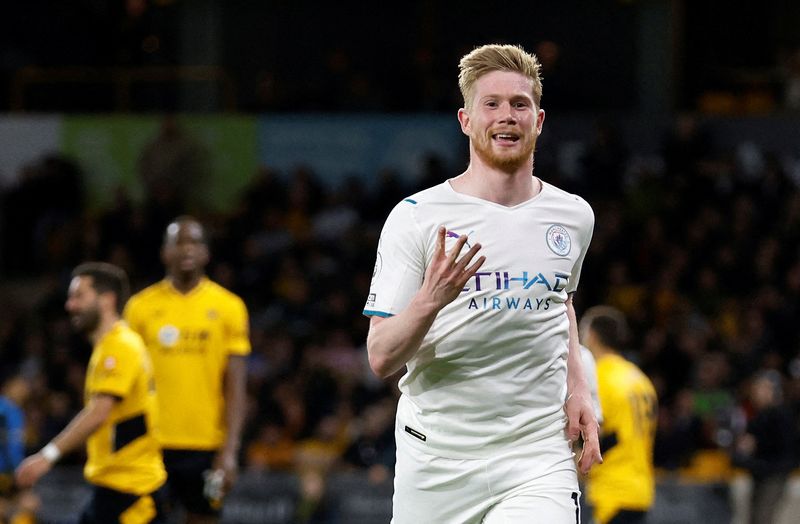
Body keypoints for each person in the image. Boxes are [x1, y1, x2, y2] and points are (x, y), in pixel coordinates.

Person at [363, 43, 601, 523]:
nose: (506, 116)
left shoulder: (573, 216)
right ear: (465, 120)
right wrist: (431, 298)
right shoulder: (416, 218)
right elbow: (382, 356)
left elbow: (561, 303)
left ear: (539, 120)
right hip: (436, 460)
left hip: (537, 454)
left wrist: (579, 389)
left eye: (519, 104)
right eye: (490, 104)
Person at [15, 262, 167, 523]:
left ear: (107, 300)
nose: (70, 305)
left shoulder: (119, 346)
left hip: (131, 492)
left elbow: (99, 412)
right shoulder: (111, 345)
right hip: (119, 488)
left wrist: (46, 456)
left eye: (79, 296)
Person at [124, 216, 250, 524]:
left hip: (206, 447)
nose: (186, 249)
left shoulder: (229, 307)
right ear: (164, 252)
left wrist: (230, 452)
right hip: (150, 445)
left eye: (194, 242)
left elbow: (235, 387)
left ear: (206, 252)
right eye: (178, 242)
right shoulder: (139, 308)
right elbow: (127, 384)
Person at [579, 305, 657, 524]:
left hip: (612, 491)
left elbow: (600, 434)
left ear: (593, 336)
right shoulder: (640, 379)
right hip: (641, 489)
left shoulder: (600, 376)